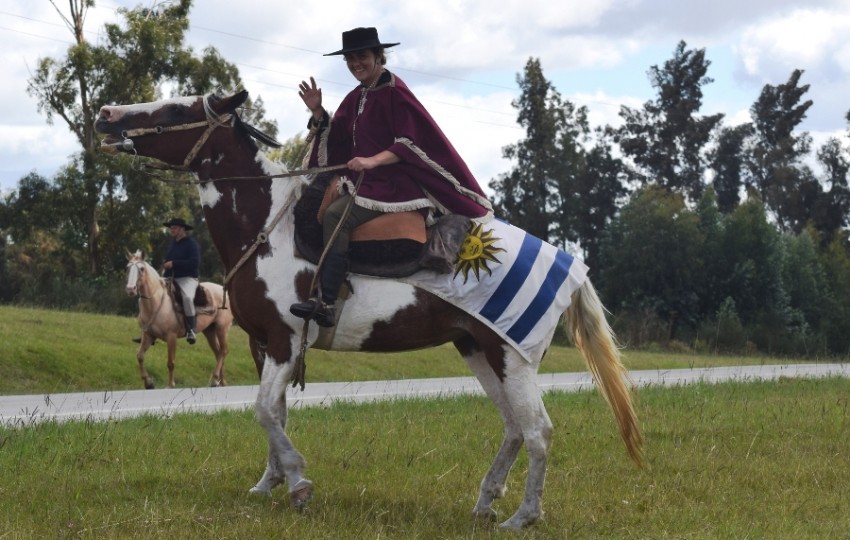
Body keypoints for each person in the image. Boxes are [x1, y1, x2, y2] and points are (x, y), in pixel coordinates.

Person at [289, 26, 494, 327]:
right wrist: (318, 112)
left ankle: (328, 301)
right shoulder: (356, 96)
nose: (355, 63)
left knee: (335, 215)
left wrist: (372, 160)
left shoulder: (395, 91)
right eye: (350, 59)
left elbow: (410, 143)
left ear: (378, 56)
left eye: (362, 56)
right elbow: (338, 139)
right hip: (366, 183)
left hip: (394, 186)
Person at [162, 217, 201, 344]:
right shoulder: (172, 243)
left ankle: (191, 330)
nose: (172, 230)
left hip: (187, 278)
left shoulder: (191, 244)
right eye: (171, 228)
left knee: (187, 298)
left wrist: (174, 263)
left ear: (182, 229)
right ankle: (150, 329)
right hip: (170, 278)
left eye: (174, 228)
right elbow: (168, 260)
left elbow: (194, 263)